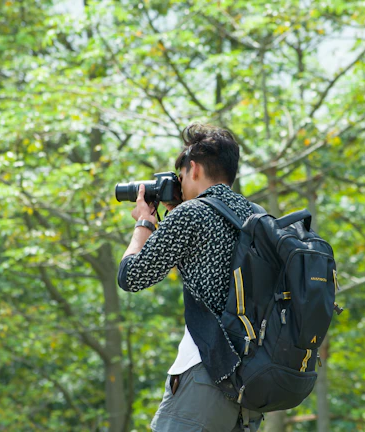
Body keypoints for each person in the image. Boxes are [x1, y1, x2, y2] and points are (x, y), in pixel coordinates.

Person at [117, 124, 263, 431]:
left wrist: (144, 222)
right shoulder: (256, 215)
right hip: (249, 383)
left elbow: (131, 276)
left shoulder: (193, 214)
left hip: (205, 373)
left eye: (180, 177)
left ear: (193, 168)